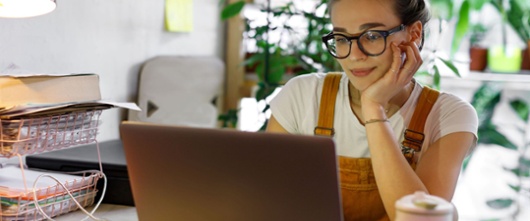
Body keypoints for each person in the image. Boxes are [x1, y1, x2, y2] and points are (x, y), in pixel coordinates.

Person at [266, 0, 478, 220]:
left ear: (413, 34)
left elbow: (422, 219)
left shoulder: (449, 115)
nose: (355, 55)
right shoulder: (302, 95)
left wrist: (373, 108)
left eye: (372, 36)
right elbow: (266, 200)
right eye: (341, 38)